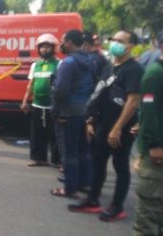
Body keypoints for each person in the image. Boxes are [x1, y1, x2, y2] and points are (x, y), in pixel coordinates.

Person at [69, 30, 143, 221]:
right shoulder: (110, 67)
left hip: (121, 129)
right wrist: (91, 120)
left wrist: (117, 128)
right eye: (113, 39)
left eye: (120, 41)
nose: (115, 43)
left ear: (130, 46)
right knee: (97, 163)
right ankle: (93, 200)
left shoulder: (134, 70)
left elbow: (133, 102)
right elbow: (100, 94)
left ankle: (117, 206)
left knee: (120, 166)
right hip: (102, 125)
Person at [132, 28, 163, 236]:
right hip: (158, 148)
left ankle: (156, 229)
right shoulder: (154, 74)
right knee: (151, 199)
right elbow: (148, 112)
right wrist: (153, 145)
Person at [50, 29, 96, 198]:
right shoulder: (89, 60)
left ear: (69, 42)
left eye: (63, 40)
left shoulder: (68, 63)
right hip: (84, 110)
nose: (61, 43)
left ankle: (70, 188)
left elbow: (61, 90)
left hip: (67, 112)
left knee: (69, 151)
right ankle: (84, 182)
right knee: (83, 148)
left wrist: (55, 111)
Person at [21, 33, 61, 167]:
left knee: (55, 134)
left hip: (52, 106)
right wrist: (25, 101)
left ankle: (57, 161)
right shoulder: (35, 65)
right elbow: (31, 84)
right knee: (37, 134)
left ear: (53, 48)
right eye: (42, 47)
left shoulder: (59, 64)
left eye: (47, 47)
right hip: (37, 105)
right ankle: (39, 158)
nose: (44, 50)